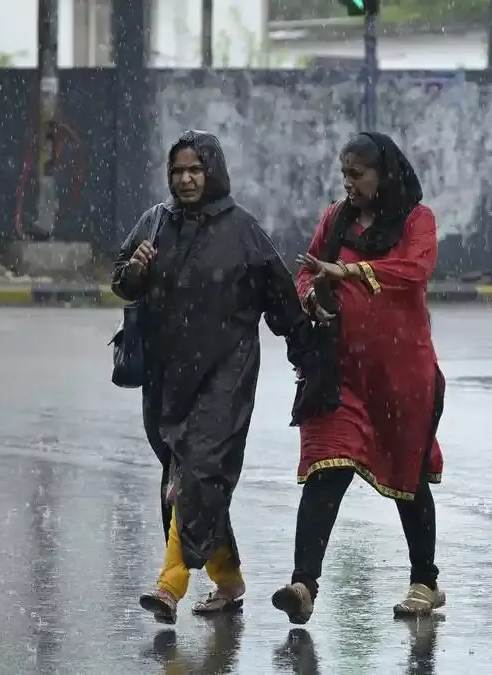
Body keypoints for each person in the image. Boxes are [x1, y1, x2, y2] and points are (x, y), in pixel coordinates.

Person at [112, 130, 309, 625]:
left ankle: (170, 585)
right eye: (178, 171)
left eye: (195, 169)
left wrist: (310, 352)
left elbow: (282, 300)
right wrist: (134, 270)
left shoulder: (242, 229)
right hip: (167, 373)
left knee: (197, 472)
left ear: (213, 171)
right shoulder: (155, 222)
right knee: (188, 477)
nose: (185, 179)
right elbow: (121, 282)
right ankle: (227, 579)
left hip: (227, 371)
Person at [271, 131, 445, 625]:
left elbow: (413, 269)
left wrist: (349, 274)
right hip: (341, 374)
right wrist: (314, 293)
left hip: (400, 375)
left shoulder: (417, 220)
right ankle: (303, 584)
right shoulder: (334, 219)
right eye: (343, 173)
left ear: (383, 175)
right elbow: (306, 273)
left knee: (407, 477)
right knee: (327, 468)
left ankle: (425, 582)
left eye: (356, 174)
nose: (347, 183)